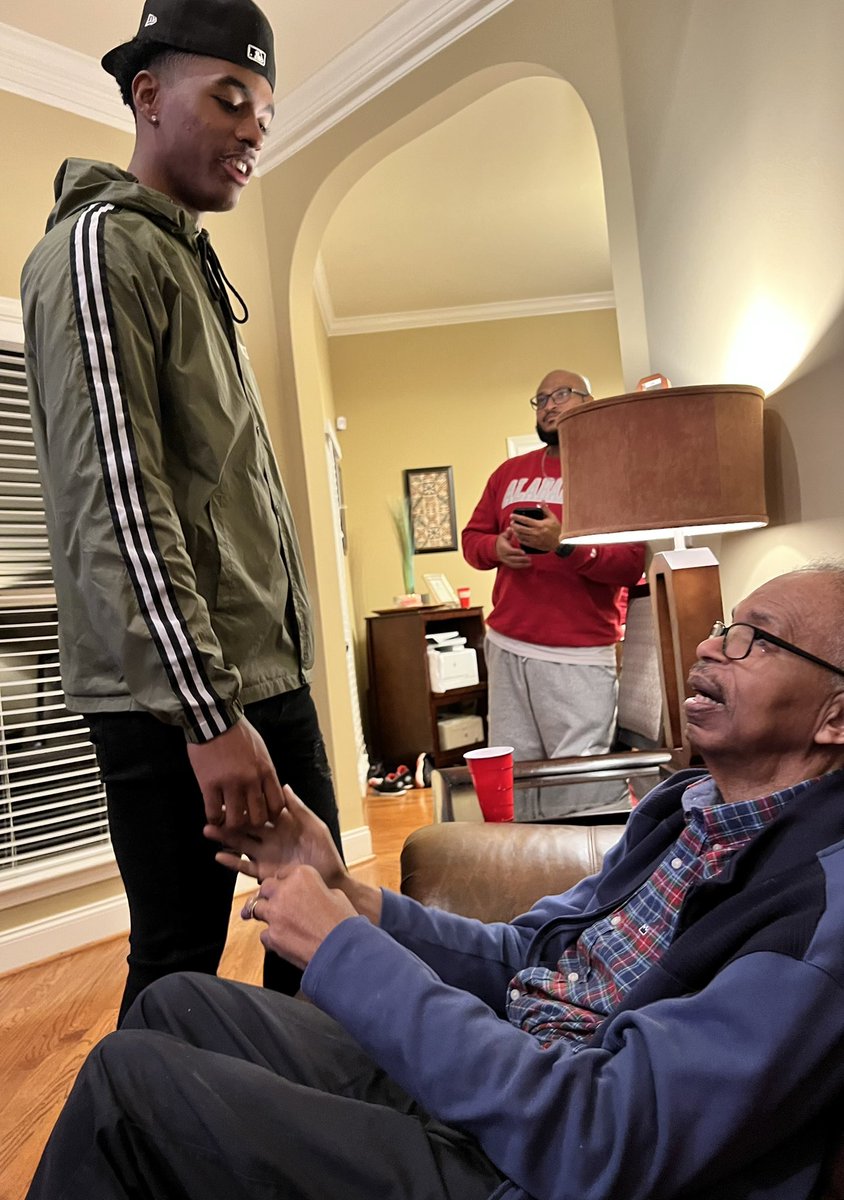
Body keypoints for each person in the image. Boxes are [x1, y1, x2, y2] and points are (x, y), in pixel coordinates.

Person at [26, 563, 844, 1200]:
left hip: (532, 1168)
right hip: (499, 1085)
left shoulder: (818, 917)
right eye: (724, 626)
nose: (709, 645)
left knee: (128, 1091)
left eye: (756, 639)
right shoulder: (683, 807)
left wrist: (344, 950)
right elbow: (531, 948)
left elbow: (597, 1136)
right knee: (179, 1004)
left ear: (834, 715)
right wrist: (352, 897)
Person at [19, 0, 342, 1024]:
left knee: (320, 923)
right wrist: (209, 716)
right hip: (181, 703)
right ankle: (145, 1158)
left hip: (258, 675)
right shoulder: (100, 248)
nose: (253, 128)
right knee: (179, 965)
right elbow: (118, 501)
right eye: (231, 98)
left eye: (265, 110)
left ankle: (300, 1144)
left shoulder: (182, 258)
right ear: (149, 96)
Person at [462, 369, 645, 818]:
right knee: (514, 774)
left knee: (580, 782)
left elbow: (629, 564)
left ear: (589, 400)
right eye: (541, 398)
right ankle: (524, 875)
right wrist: (498, 548)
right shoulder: (508, 473)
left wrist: (562, 545)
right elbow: (472, 540)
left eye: (562, 394)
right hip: (506, 643)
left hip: (578, 652)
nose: (549, 404)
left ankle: (584, 879)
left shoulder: (614, 473)